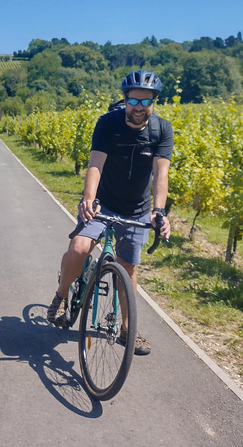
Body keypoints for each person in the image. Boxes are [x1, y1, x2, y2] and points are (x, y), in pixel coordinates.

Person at [46, 70, 173, 355]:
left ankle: (128, 328)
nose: (138, 107)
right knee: (79, 248)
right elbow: (95, 164)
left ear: (154, 101)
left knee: (127, 270)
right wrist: (88, 199)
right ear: (125, 99)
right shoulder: (107, 123)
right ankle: (61, 296)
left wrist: (158, 211)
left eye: (145, 102)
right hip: (102, 202)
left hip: (137, 209)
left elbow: (160, 173)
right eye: (133, 100)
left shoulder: (162, 130)